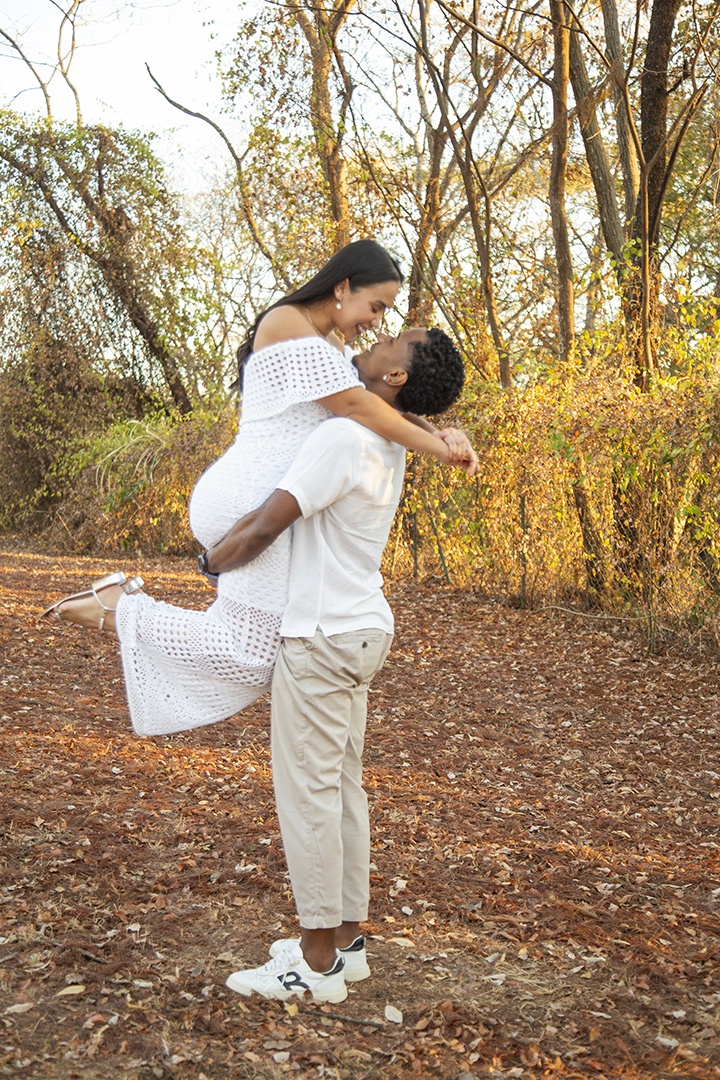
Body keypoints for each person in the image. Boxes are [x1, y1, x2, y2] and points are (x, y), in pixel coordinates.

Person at [41, 240, 478, 737]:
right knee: (249, 656)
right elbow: (360, 408)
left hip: (268, 504)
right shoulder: (288, 323)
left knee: (258, 653)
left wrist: (439, 433)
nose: (377, 321)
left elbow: (384, 404)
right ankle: (119, 608)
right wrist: (437, 449)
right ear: (342, 288)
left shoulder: (335, 349)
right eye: (376, 306)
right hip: (247, 500)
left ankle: (121, 605)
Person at [205, 328, 465, 1002]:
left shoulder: (345, 440)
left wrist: (211, 562)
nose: (379, 337)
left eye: (395, 339)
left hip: (322, 638)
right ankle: (345, 943)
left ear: (397, 377)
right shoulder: (388, 439)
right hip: (359, 631)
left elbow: (267, 526)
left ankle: (313, 964)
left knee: (310, 796)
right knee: (342, 790)